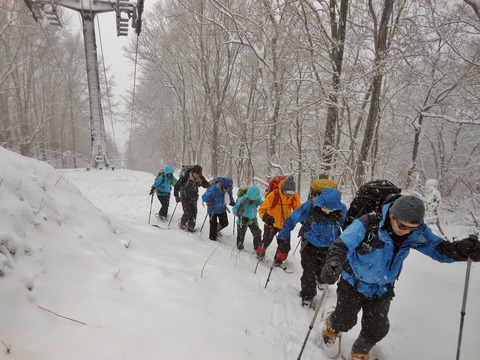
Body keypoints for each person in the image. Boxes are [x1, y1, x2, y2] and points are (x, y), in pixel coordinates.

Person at [320, 195, 480, 360]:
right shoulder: (368, 223)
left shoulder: (415, 232)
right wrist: (334, 262)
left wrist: (461, 250)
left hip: (382, 289)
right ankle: (331, 325)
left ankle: (361, 349)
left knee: (377, 328)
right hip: (353, 283)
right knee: (344, 321)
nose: (407, 231)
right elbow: (342, 244)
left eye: (413, 227)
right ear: (391, 215)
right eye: (403, 225)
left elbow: (438, 249)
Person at [277, 187, 347, 308]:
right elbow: (293, 218)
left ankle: (321, 280)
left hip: (329, 246)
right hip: (310, 243)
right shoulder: (311, 205)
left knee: (323, 268)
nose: (326, 211)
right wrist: (283, 234)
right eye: (324, 208)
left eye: (330, 210)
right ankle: (307, 295)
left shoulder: (342, 210)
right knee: (309, 271)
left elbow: (348, 228)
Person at [257, 175, 301, 265]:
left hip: (285, 225)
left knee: (285, 247)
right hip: (271, 223)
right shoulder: (274, 194)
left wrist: (303, 218)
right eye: (287, 192)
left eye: (291, 193)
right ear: (283, 189)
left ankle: (278, 261)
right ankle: (260, 254)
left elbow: (298, 209)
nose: (289, 195)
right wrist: (266, 217)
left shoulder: (293, 196)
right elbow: (262, 209)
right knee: (265, 242)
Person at [173, 165, 210, 232]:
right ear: (193, 172)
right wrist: (176, 196)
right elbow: (176, 186)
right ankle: (182, 224)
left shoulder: (200, 177)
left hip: (194, 196)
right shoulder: (185, 177)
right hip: (184, 196)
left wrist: (209, 184)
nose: (197, 175)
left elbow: (206, 184)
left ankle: (191, 226)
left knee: (194, 212)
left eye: (199, 174)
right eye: (196, 173)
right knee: (187, 212)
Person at [232, 186, 263, 250]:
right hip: (242, 220)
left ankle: (257, 249)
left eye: (255, 199)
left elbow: (264, 204)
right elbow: (234, 209)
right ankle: (239, 249)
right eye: (252, 199)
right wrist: (240, 215)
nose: (253, 200)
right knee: (241, 235)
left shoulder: (257, 200)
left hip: (253, 220)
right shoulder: (242, 200)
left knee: (257, 234)